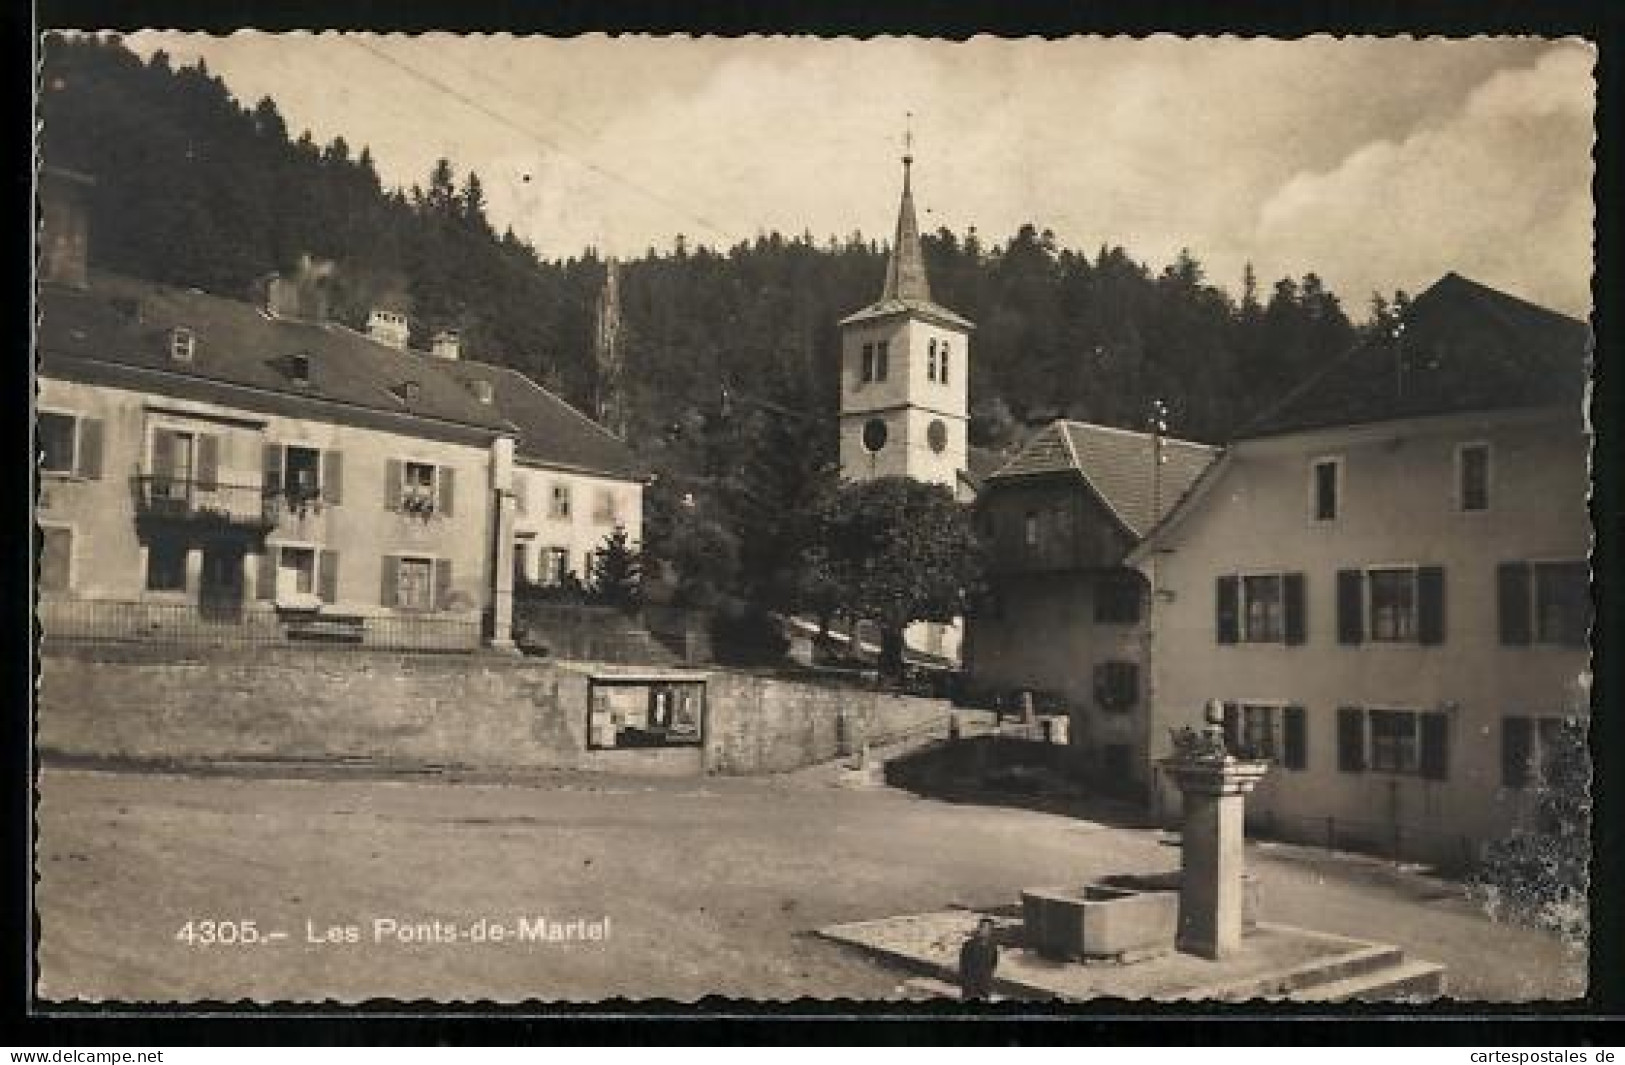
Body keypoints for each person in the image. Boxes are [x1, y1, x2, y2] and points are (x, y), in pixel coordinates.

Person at [958, 917, 1000, 1001]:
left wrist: (988, 979)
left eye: (988, 929)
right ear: (979, 928)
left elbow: (993, 964)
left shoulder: (992, 947)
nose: (985, 931)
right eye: (983, 927)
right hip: (970, 985)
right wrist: (966, 982)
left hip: (984, 985)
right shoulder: (968, 945)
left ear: (991, 931)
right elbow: (963, 965)